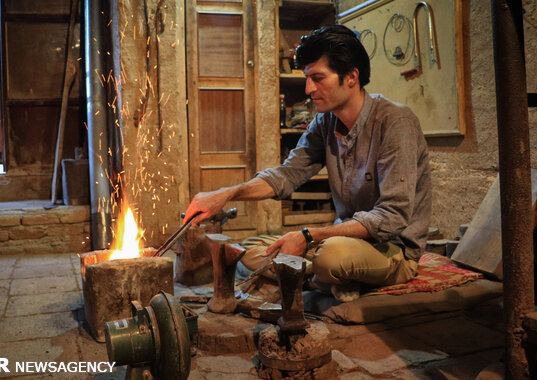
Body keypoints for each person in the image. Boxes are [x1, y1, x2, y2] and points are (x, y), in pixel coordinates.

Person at [183, 25, 432, 302]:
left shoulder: (395, 121)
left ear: (351, 77)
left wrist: (308, 235)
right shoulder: (325, 122)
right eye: (307, 78)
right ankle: (328, 280)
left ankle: (320, 275)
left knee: (331, 256)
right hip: (343, 239)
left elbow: (392, 216)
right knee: (248, 250)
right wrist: (226, 194)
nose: (308, 88)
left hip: (392, 250)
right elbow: (287, 174)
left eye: (318, 78)